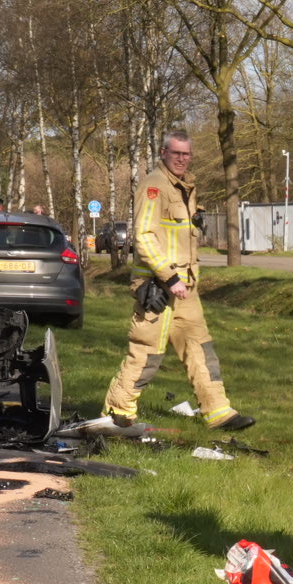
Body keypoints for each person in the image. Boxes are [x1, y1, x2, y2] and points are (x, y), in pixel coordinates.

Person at [103, 130, 254, 431]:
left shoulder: (186, 187)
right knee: (146, 351)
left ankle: (218, 411)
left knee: (199, 347)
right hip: (159, 287)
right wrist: (169, 277)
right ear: (163, 153)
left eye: (187, 154)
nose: (182, 159)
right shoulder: (154, 186)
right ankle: (117, 412)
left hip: (185, 287)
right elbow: (143, 237)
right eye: (177, 154)